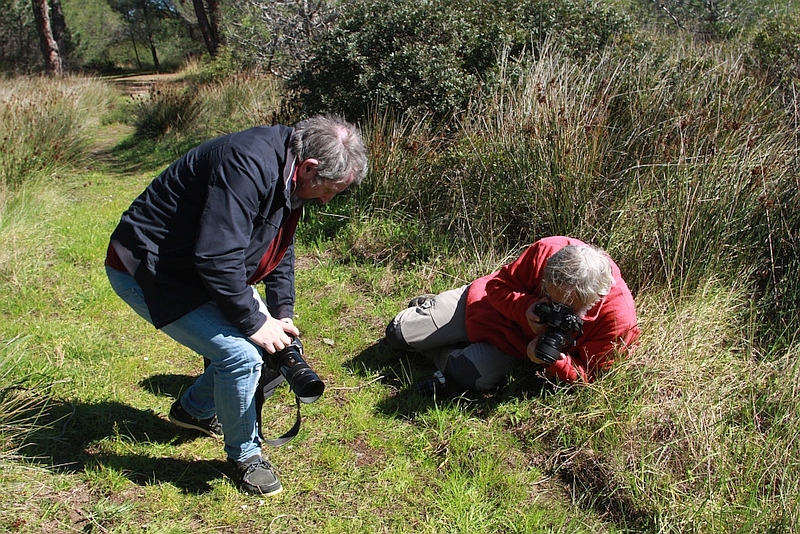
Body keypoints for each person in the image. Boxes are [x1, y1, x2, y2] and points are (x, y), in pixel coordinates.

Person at [105, 115, 368, 495]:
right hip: (150, 270)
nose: (329, 199)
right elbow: (216, 256)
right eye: (331, 189)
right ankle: (245, 456)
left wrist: (281, 313)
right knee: (243, 354)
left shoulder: (291, 169)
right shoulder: (248, 164)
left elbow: (281, 245)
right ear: (310, 169)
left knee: (277, 348)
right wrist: (253, 322)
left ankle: (193, 410)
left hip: (199, 271)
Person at [384, 236, 640, 391]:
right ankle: (438, 316)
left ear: (596, 299)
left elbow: (589, 374)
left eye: (567, 311)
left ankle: (445, 345)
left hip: (513, 348)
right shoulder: (547, 250)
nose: (554, 311)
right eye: (549, 299)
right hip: (484, 307)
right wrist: (525, 307)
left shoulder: (618, 320)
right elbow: (497, 286)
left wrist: (553, 361)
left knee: (467, 374)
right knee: (397, 335)